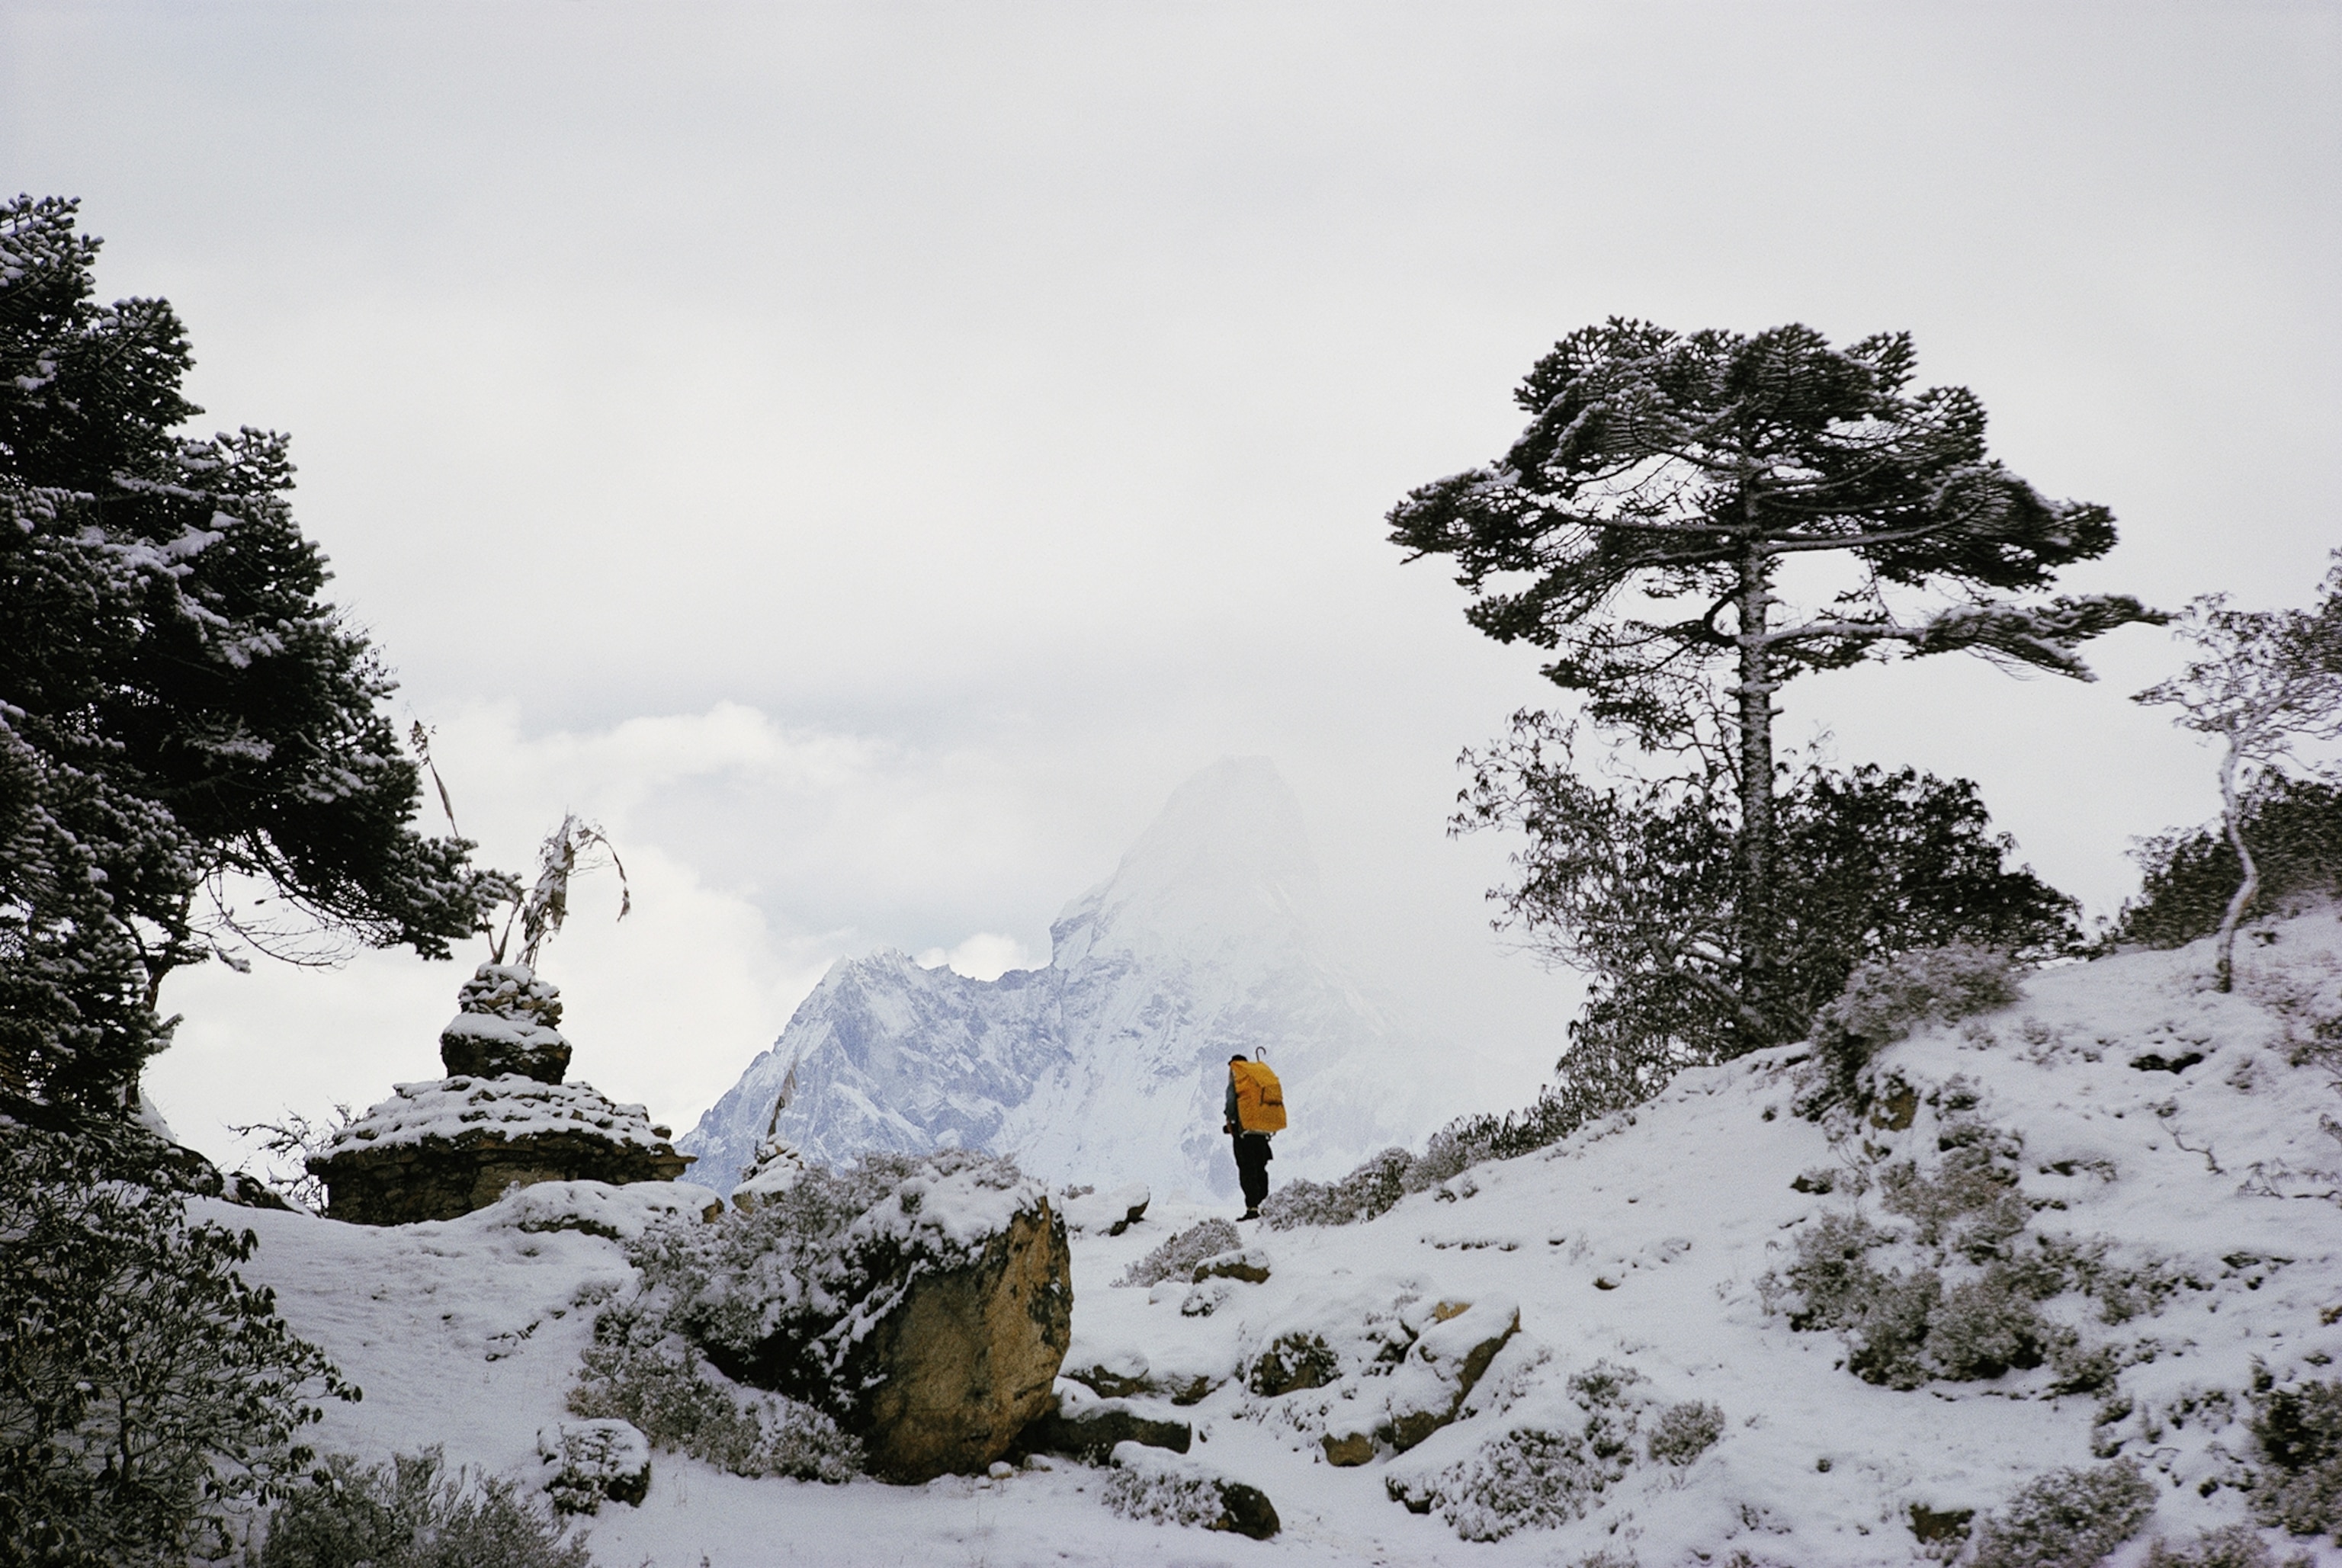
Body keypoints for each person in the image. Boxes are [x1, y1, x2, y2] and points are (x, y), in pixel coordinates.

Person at [1224, 1053, 1275, 1220]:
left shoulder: (1237, 1083)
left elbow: (1231, 1103)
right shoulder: (1258, 1081)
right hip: (1261, 1134)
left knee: (1247, 1171)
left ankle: (1252, 1209)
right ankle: (1264, 1206)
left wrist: (1231, 1122)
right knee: (1261, 1170)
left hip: (1244, 1135)